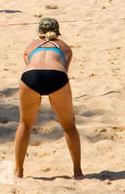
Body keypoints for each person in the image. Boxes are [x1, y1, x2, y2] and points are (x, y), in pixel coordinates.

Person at [15, 17, 81, 180]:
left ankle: (18, 171)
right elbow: (64, 70)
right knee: (69, 126)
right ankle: (77, 172)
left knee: (25, 124)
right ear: (57, 32)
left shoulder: (30, 46)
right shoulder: (65, 47)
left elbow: (30, 64)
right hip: (56, 75)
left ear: (39, 33)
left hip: (31, 76)